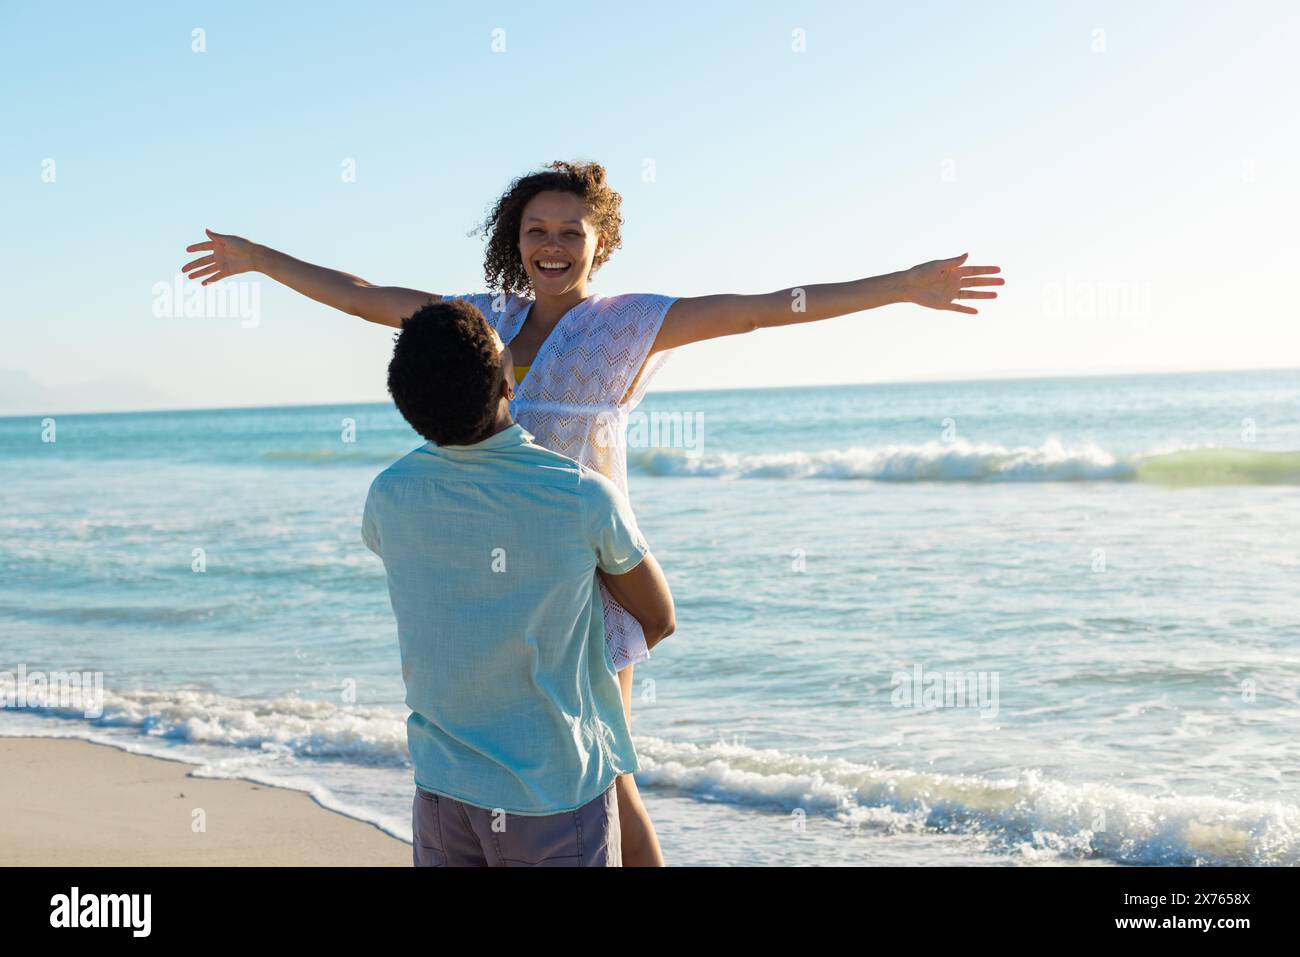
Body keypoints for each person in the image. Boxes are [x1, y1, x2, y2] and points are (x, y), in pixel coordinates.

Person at [182, 159, 1004, 865]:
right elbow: (363, 298)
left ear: (598, 242)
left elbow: (761, 306)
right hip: (490, 574)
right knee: (579, 768)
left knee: (609, 763)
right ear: (515, 240)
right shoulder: (482, 321)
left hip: (585, 570)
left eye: (572, 231)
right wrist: (257, 258)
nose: (553, 244)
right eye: (537, 229)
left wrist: (900, 288)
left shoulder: (626, 324)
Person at [362, 298, 675, 866]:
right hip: (554, 791)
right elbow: (657, 618)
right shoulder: (581, 494)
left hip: (441, 785)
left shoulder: (389, 493)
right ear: (509, 382)